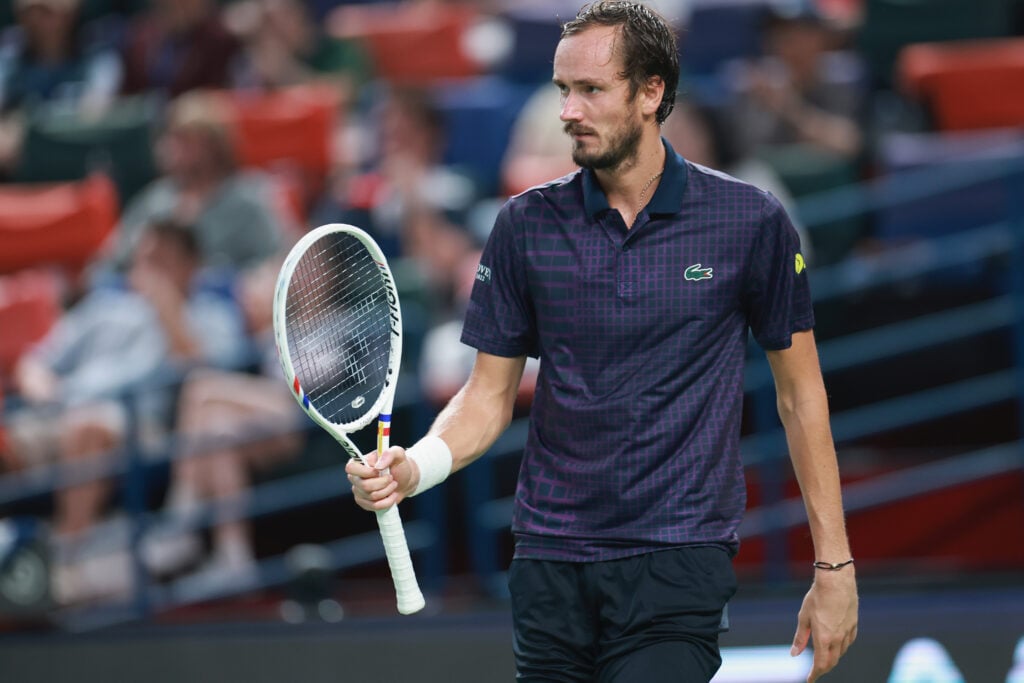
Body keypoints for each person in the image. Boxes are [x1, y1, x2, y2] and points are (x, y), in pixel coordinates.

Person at [347, 2, 858, 682]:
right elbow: (487, 396)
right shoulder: (524, 224)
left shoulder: (749, 221)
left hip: (677, 559)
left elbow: (801, 396)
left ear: (652, 93)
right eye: (563, 90)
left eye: (591, 90)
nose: (568, 111)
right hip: (549, 566)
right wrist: (416, 467)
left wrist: (834, 567)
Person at [4, 219, 249, 604]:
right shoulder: (106, 308)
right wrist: (42, 386)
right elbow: (36, 362)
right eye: (145, 259)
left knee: (90, 427)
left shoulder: (210, 315)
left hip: (141, 428)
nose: (149, 269)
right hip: (56, 413)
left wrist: (167, 305)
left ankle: (62, 566)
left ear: (191, 267)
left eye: (163, 261)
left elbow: (204, 378)